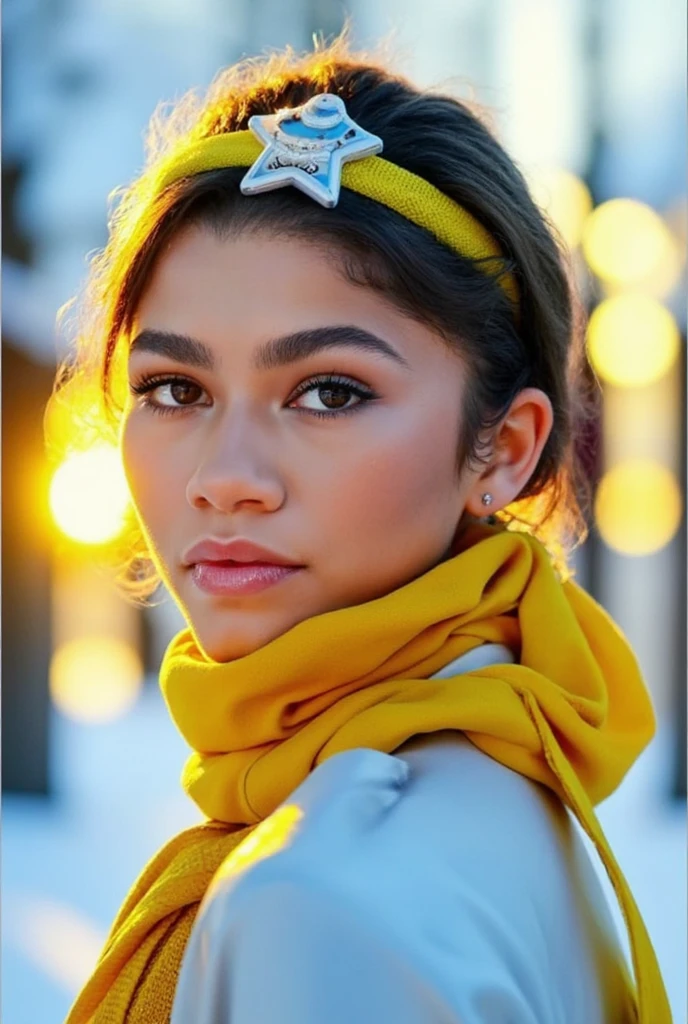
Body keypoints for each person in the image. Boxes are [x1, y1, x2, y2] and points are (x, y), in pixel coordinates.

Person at [52, 37, 672, 1024]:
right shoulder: (511, 778)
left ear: (504, 449)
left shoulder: (316, 901)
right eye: (175, 389)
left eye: (329, 392)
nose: (227, 479)